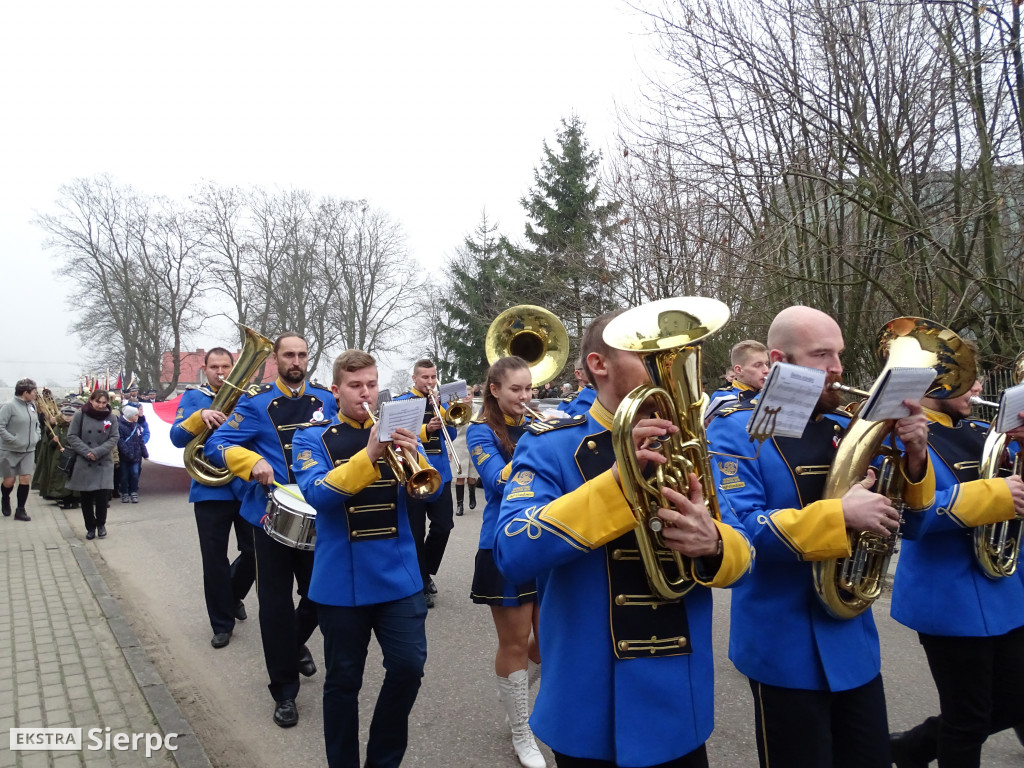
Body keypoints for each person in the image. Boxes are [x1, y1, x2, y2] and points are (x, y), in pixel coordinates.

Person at [494, 309, 753, 768]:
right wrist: (618, 484)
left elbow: (745, 551)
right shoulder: (552, 443)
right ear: (599, 364)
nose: (666, 363)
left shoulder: (687, 442)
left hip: (678, 695)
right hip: (586, 699)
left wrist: (713, 543)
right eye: (648, 353)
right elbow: (512, 549)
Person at [706, 305, 932, 768]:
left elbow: (915, 522)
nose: (837, 369)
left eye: (839, 355)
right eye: (821, 354)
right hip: (782, 645)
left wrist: (914, 457)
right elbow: (742, 532)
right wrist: (839, 516)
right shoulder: (735, 431)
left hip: (853, 641)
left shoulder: (843, 425)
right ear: (778, 360)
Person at [292, 349, 437, 768]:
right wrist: (371, 454)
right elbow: (318, 494)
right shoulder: (311, 438)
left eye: (371, 385)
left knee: (409, 669)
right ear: (336, 390)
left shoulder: (399, 429)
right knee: (342, 683)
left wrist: (416, 461)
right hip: (342, 580)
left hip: (399, 574)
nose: (366, 394)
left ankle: (383, 759)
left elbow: (432, 488)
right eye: (356, 386)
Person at [888, 378, 1024, 768]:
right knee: (968, 719)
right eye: (966, 378)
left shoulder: (985, 432)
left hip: (1004, 587)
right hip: (946, 596)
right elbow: (911, 519)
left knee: (1014, 702)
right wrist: (996, 497)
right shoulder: (902, 435)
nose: (978, 385)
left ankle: (911, 747)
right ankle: (913, 748)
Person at [205, 332, 337, 727]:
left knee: (320, 598)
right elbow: (217, 444)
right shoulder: (256, 402)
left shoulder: (325, 400)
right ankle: (284, 691)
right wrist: (249, 462)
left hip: (317, 513)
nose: (296, 361)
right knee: (275, 608)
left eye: (301, 355)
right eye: (288, 355)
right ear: (275, 359)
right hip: (270, 517)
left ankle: (292, 645)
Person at [468, 356, 545, 768]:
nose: (525, 397)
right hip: (504, 544)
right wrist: (541, 441)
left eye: (529, 388)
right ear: (494, 390)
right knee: (514, 643)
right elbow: (500, 480)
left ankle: (514, 697)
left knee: (552, 640)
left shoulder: (538, 425)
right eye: (516, 389)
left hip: (548, 540)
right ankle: (521, 729)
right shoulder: (480, 431)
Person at [169, 347, 255, 649]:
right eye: (214, 367)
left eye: (225, 367)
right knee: (214, 561)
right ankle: (221, 623)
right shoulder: (193, 398)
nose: (220, 372)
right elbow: (177, 438)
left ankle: (231, 596)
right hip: (209, 491)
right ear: (204, 368)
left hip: (245, 488)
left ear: (234, 368)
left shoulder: (248, 397)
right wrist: (198, 417)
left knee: (255, 554)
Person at [395, 359, 457, 608]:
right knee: (415, 530)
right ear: (414, 378)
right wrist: (426, 429)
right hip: (413, 471)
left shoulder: (439, 402)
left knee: (444, 525)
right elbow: (396, 433)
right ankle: (419, 580)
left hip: (440, 471)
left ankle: (426, 569)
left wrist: (446, 416)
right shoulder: (402, 402)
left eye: (433, 377)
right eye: (425, 378)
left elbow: (451, 435)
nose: (430, 382)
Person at [65, 389, 119, 539]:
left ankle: (101, 524)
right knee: (86, 499)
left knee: (102, 498)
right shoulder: (80, 415)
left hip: (103, 462)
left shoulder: (111, 417)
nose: (101, 405)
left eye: (104, 402)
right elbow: (72, 436)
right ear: (91, 400)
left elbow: (114, 437)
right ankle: (90, 527)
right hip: (84, 460)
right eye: (98, 402)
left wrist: (97, 452)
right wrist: (87, 452)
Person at [0, 378, 41, 521]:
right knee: (9, 481)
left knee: (25, 479)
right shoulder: (9, 406)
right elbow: (1, 427)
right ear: (25, 392)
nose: (36, 394)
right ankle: (5, 497)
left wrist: (37, 436)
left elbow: (36, 424)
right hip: (9, 450)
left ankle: (20, 510)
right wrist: (13, 439)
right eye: (34, 392)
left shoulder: (32, 405)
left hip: (28, 450)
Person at [704, 340, 769, 425]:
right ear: (738, 370)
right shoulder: (725, 398)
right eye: (758, 365)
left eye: (767, 364)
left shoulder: (765, 393)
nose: (766, 370)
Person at [117, 406, 148, 503]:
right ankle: (124, 492)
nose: (137, 416)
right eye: (135, 414)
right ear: (130, 415)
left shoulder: (137, 426)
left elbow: (140, 440)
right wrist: (128, 453)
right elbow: (120, 442)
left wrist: (144, 453)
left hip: (136, 456)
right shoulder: (119, 426)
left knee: (135, 474)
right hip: (124, 457)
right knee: (124, 475)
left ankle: (133, 491)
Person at [451, 422, 479, 516]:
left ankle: (472, 494)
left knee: (471, 478)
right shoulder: (455, 408)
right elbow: (449, 432)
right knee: (460, 477)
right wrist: (448, 450)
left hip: (473, 446)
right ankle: (460, 505)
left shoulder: (476, 410)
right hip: (458, 446)